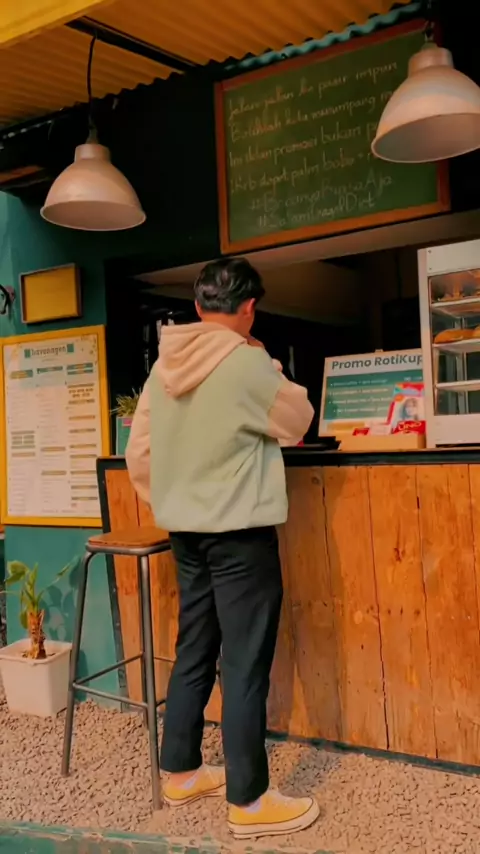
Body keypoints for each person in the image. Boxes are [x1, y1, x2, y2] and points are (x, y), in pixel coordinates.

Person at [126, 257, 317, 839]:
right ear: (249, 307)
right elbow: (298, 420)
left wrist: (174, 503)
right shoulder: (246, 362)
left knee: (195, 647)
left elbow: (139, 454)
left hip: (186, 533)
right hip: (239, 536)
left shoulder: (164, 366)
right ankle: (250, 802)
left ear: (199, 304)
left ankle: (182, 771)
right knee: (244, 662)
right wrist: (270, 363)